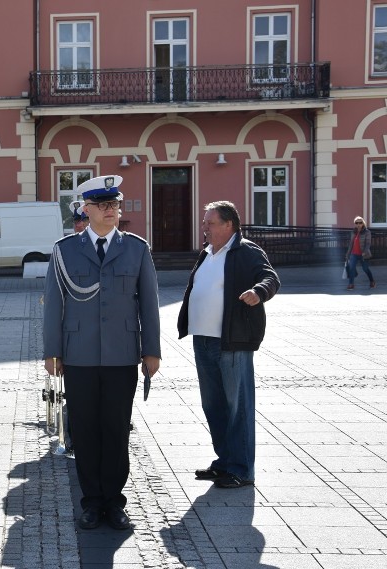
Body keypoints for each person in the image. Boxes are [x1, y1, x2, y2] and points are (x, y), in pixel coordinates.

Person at [43, 174, 161, 531]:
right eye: (104, 205)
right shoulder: (65, 250)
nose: (113, 211)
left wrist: (151, 351)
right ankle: (91, 502)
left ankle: (115, 501)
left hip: (121, 355)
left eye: (116, 204)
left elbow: (149, 305)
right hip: (77, 356)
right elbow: (54, 305)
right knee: (85, 430)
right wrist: (52, 351)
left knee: (115, 430)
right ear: (86, 209)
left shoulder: (136, 248)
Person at [177, 200, 280, 489]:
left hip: (232, 341)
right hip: (204, 339)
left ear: (228, 225)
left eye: (210, 222)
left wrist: (258, 292)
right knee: (214, 405)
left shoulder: (245, 251)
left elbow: (270, 277)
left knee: (238, 407)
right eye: (204, 222)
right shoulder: (208, 252)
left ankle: (242, 469)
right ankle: (225, 462)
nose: (204, 227)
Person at [345, 216, 375, 290]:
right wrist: (348, 254)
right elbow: (351, 244)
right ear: (355, 224)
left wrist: (364, 252)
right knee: (351, 268)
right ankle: (351, 284)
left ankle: (372, 281)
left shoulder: (367, 232)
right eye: (357, 223)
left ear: (363, 223)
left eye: (360, 223)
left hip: (363, 254)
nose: (358, 224)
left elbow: (368, 243)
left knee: (365, 269)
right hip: (354, 254)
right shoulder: (353, 232)